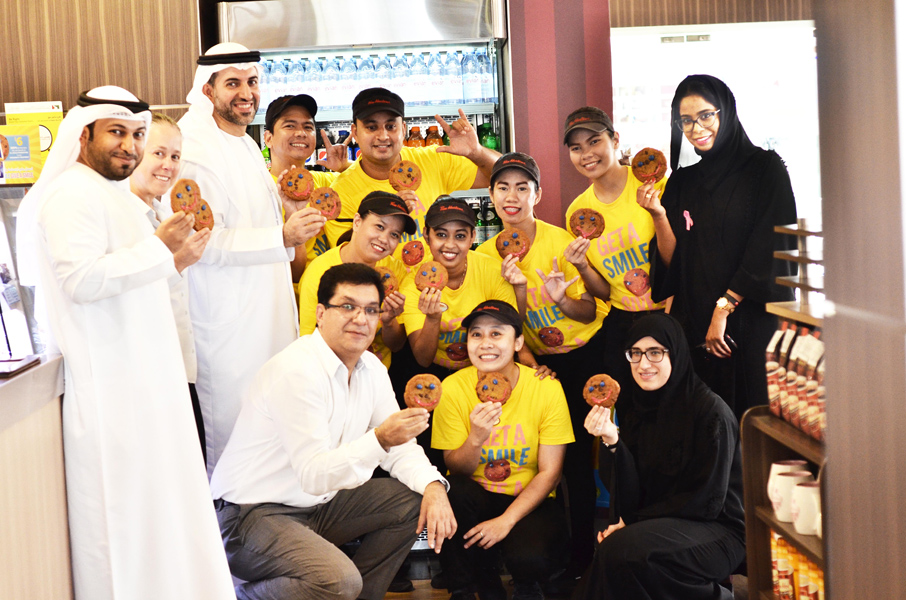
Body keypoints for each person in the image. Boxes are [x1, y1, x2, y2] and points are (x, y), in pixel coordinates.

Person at [29, 86, 234, 599]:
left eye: (138, 135)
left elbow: (128, 282)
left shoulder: (113, 195)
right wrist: (159, 251)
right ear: (84, 135)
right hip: (112, 397)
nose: (130, 146)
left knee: (159, 520)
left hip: (146, 389)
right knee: (121, 528)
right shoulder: (72, 195)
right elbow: (81, 281)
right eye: (117, 133)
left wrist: (171, 260)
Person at [210, 263, 456, 600]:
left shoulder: (371, 369)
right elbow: (314, 474)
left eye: (371, 310)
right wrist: (380, 438)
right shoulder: (297, 371)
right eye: (348, 306)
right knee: (338, 581)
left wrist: (433, 486)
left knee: (413, 499)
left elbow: (401, 447)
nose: (361, 318)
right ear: (321, 313)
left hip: (316, 506)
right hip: (248, 515)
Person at [178, 42, 327, 474]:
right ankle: (233, 534)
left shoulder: (241, 143)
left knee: (271, 428)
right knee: (234, 434)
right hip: (227, 328)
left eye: (252, 82)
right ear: (207, 91)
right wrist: (280, 235)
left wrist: (288, 211)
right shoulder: (196, 151)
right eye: (233, 84)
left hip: (267, 317)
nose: (246, 92)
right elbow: (204, 242)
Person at [477, 152, 605, 583]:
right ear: (491, 194)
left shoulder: (560, 242)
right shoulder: (486, 255)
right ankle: (530, 552)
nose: (511, 197)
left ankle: (584, 559)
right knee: (534, 457)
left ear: (538, 194)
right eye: (502, 187)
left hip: (582, 357)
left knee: (577, 465)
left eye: (522, 187)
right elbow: (502, 327)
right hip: (533, 366)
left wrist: (561, 299)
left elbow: (588, 313)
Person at [645, 74, 797, 420]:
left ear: (725, 111)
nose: (696, 128)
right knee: (705, 425)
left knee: (753, 422)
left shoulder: (764, 169)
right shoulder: (683, 180)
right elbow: (673, 263)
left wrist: (723, 308)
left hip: (748, 320)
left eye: (705, 116)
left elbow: (770, 244)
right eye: (685, 120)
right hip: (696, 324)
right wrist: (657, 215)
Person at [579, 313, 745, 600]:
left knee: (623, 550)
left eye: (655, 352)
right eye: (636, 353)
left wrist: (632, 524)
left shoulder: (709, 411)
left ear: (676, 354)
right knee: (617, 556)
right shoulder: (634, 408)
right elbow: (629, 490)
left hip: (718, 531)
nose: (644, 364)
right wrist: (612, 439)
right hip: (661, 525)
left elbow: (707, 500)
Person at [432, 300, 574, 600]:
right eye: (476, 335)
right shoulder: (453, 388)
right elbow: (456, 469)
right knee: (447, 491)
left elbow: (551, 472)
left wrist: (505, 521)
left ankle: (527, 583)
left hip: (529, 500)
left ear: (518, 341)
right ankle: (468, 587)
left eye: (497, 334)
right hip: (476, 496)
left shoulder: (546, 388)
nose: (485, 344)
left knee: (530, 558)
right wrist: (476, 438)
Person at [562, 106, 668, 421]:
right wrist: (582, 266)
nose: (586, 154)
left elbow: (682, 259)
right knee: (632, 418)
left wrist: (657, 213)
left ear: (615, 139)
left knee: (671, 411)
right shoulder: (578, 213)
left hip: (668, 314)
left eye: (594, 142)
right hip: (623, 323)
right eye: (576, 148)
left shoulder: (654, 185)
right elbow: (605, 292)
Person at [325, 87, 500, 264]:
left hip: (436, 286)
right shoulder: (340, 193)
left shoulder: (432, 159)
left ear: (403, 129)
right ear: (355, 132)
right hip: (383, 289)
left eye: (391, 126)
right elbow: (348, 264)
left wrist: (476, 152)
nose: (383, 136)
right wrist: (389, 217)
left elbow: (503, 176)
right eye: (371, 127)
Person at [130, 112, 210, 462]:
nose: (168, 165)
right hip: (145, 377)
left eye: (175, 156)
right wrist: (178, 261)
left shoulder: (167, 214)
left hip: (180, 366)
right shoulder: (121, 217)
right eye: (158, 153)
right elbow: (120, 291)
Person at [401, 197, 517, 376]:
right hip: (434, 370)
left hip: (487, 366)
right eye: (441, 235)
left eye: (460, 236)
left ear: (472, 237)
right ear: (426, 236)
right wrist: (432, 319)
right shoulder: (413, 285)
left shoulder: (493, 271)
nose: (450, 244)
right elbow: (423, 359)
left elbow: (509, 336)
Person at [298, 191, 414, 367]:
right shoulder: (319, 272)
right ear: (357, 222)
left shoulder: (396, 272)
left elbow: (396, 346)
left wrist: (389, 321)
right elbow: (307, 340)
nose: (384, 239)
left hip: (378, 375)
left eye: (394, 235)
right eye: (380, 227)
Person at [263, 93, 352, 281]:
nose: (301, 133)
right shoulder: (260, 190)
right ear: (268, 138)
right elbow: (294, 274)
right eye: (290, 125)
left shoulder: (326, 183)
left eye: (308, 126)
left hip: (333, 295)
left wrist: (345, 166)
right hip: (292, 301)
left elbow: (372, 180)